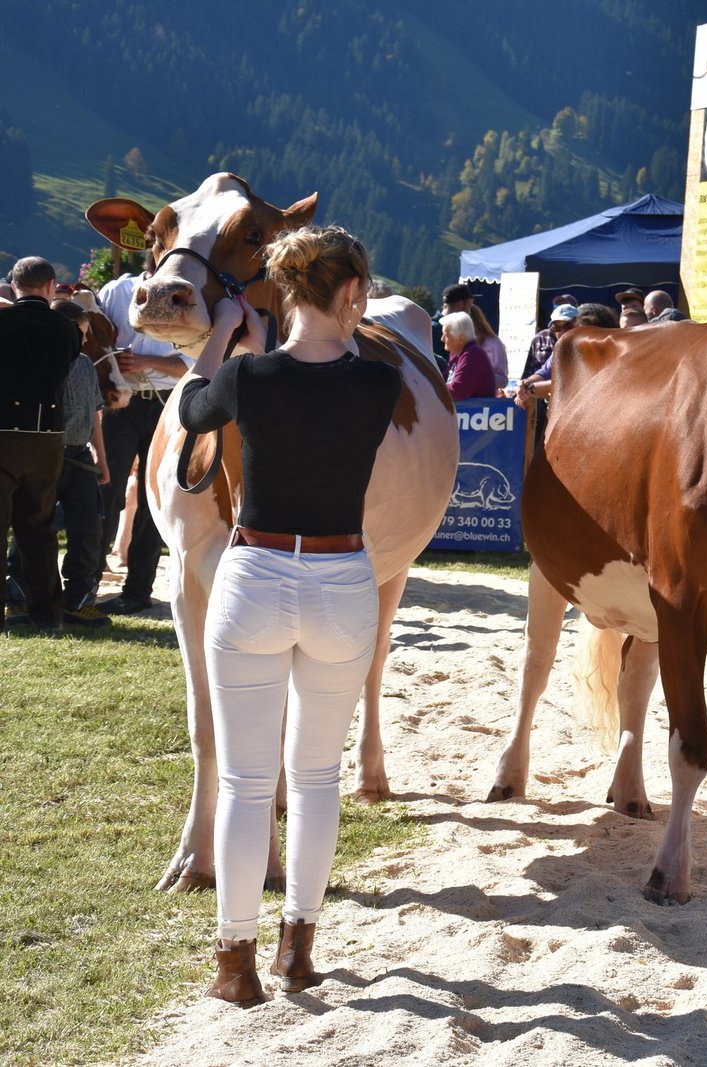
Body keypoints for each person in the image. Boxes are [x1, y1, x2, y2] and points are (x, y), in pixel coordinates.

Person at [179, 223, 401, 1007]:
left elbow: (192, 408)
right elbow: (346, 362)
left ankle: (234, 964)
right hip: (341, 577)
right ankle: (298, 951)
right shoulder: (380, 383)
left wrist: (224, 334)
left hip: (256, 573)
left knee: (246, 782)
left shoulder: (249, 376)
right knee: (315, 777)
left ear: (285, 289)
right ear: (353, 291)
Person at [97, 261, 195, 615]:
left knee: (155, 498)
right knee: (106, 490)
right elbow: (96, 340)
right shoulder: (116, 291)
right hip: (120, 403)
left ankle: (138, 590)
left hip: (167, 405)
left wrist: (145, 361)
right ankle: (85, 585)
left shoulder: (186, 296)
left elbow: (191, 364)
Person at [0, 257, 81, 634]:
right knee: (39, 527)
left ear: (14, 285)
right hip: (48, 436)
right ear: (50, 286)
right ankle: (48, 614)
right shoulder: (68, 329)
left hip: (3, 433)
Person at [46, 300, 113, 626]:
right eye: (79, 333)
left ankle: (78, 602)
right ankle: (19, 597)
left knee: (89, 529)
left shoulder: (85, 363)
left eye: (86, 334)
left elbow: (94, 413)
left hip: (81, 457)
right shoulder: (39, 360)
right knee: (38, 528)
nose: (84, 340)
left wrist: (101, 456)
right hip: (46, 454)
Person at [439, 311, 497, 401]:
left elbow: (457, 391)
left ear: (461, 338)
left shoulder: (473, 354)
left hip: (479, 409)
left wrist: (432, 388)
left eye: (446, 335)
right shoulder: (457, 354)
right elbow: (443, 379)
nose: (442, 339)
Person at [430, 282, 474, 368]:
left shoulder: (432, 327)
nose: (469, 312)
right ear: (460, 305)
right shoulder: (435, 329)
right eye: (469, 306)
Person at [466, 304, 509, 389]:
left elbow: (503, 381)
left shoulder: (493, 344)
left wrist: (480, 376)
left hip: (484, 396)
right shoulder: (451, 344)